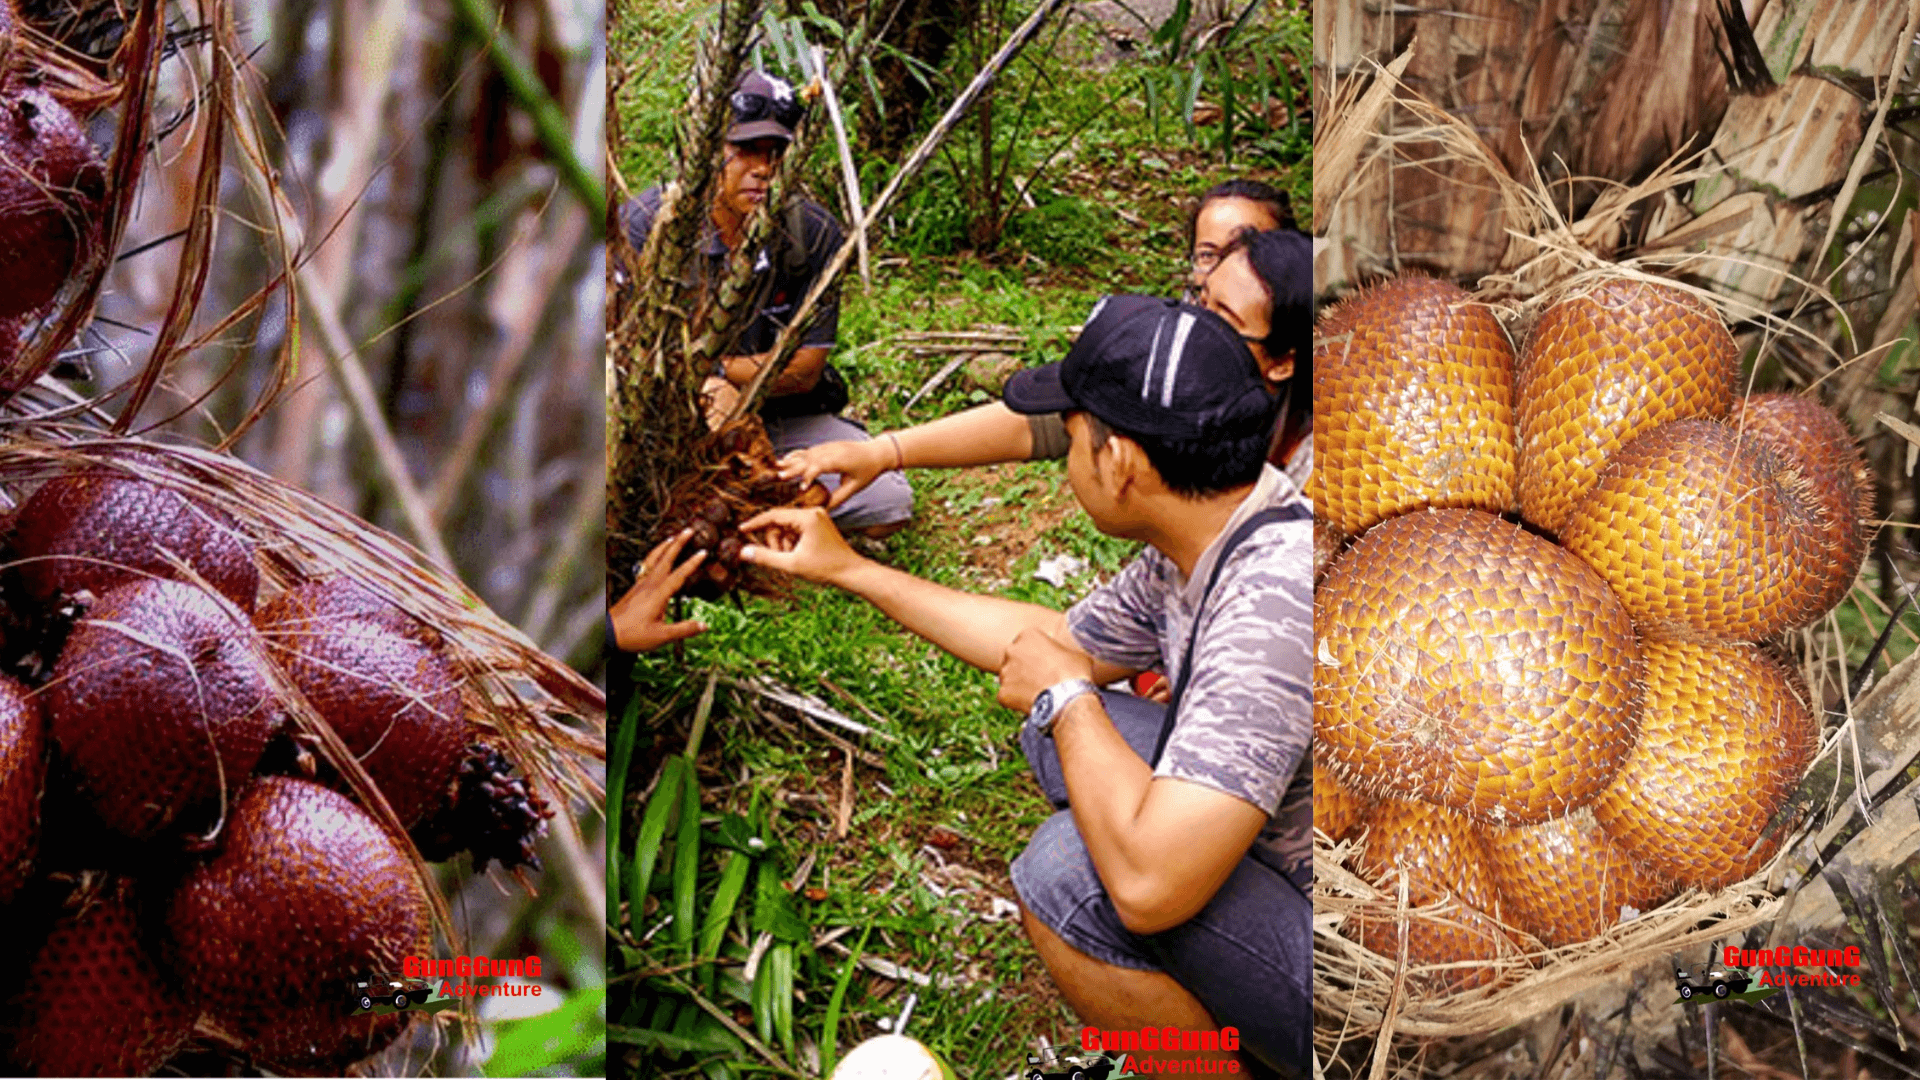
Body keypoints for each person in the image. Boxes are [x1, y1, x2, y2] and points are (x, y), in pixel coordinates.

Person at [738, 296, 1311, 1078]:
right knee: (1056, 737)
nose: (1064, 456)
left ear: (1120, 462)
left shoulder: (1270, 606)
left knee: (1066, 877)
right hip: (1284, 843)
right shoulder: (1219, 523)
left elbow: (1150, 889)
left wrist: (1072, 700)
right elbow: (1051, 644)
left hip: (1362, 979)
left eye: (1071, 437)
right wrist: (850, 569)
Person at [778, 222, 1311, 503]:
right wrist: (883, 453)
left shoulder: (1315, 480)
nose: (1195, 326)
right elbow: (1043, 422)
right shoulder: (1178, 384)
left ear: (1284, 361)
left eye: (1223, 317)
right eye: (1200, 301)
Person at [619, 70, 912, 536]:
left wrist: (720, 374)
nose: (763, 168)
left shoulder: (811, 233)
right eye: (746, 150)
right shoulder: (649, 227)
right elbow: (620, 355)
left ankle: (744, 511)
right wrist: (706, 391)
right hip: (664, 428)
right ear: (707, 149)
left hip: (775, 419)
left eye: (776, 153)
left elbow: (805, 370)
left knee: (886, 503)